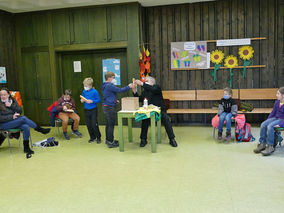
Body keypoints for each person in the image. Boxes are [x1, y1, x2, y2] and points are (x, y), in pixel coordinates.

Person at [0, 88, 50, 155]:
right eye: (1, 95)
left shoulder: (13, 101)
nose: (3, 96)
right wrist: (12, 117)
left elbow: (20, 111)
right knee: (23, 119)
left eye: (4, 94)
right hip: (3, 124)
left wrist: (11, 106)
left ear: (8, 95)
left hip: (14, 121)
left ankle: (26, 148)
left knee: (26, 126)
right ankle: (40, 129)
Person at [133, 76, 178, 147]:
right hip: (148, 110)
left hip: (159, 110)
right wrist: (134, 91)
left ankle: (172, 139)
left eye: (147, 81)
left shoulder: (157, 87)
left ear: (152, 82)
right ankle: (143, 139)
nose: (145, 82)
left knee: (166, 119)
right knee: (144, 120)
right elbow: (139, 99)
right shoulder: (145, 91)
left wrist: (141, 83)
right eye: (145, 81)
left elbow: (152, 89)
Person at [101, 71, 133, 148]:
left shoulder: (104, 85)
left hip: (106, 105)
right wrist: (129, 86)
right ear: (109, 78)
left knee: (108, 124)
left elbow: (107, 95)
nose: (114, 79)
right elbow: (120, 90)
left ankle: (108, 140)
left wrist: (114, 100)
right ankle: (110, 142)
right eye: (113, 77)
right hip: (109, 107)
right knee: (111, 125)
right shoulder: (109, 85)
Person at [254, 87, 284, 156]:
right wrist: (268, 120)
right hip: (275, 118)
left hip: (282, 120)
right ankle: (262, 143)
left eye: (278, 94)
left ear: (283, 95)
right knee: (263, 124)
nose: (276, 95)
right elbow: (273, 113)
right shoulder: (277, 102)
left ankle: (270, 146)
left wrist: (281, 125)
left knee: (270, 126)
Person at [80, 77, 101, 143]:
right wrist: (82, 100)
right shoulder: (84, 91)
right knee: (88, 125)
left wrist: (92, 101)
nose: (85, 87)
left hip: (93, 110)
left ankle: (98, 137)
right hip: (86, 110)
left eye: (86, 86)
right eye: (84, 86)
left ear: (90, 85)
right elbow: (82, 98)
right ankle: (92, 137)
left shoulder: (95, 91)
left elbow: (99, 100)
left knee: (94, 124)